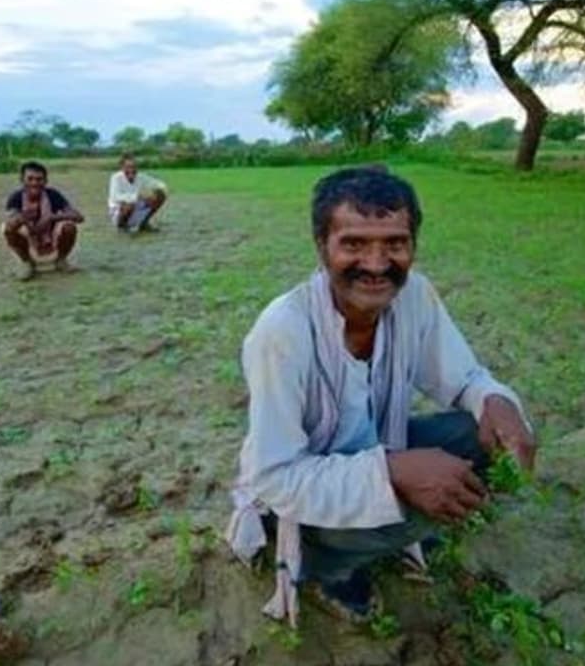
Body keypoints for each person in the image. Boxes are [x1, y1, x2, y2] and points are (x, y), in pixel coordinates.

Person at [225, 167, 538, 627]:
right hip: (296, 499)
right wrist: (392, 470)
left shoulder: (415, 295)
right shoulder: (282, 332)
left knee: (481, 433)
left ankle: (380, 532)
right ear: (321, 247)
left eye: (394, 243)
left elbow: (462, 378)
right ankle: (327, 567)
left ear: (413, 246)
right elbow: (275, 478)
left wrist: (495, 400)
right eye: (353, 244)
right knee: (411, 495)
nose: (376, 264)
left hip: (375, 445)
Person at [2, 161, 84, 280]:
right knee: (8, 228)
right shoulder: (16, 197)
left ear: (45, 181)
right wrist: (24, 218)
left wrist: (51, 217)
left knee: (69, 227)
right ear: (22, 180)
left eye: (39, 179)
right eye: (30, 179)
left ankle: (61, 261)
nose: (34, 183)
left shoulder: (53, 195)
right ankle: (27, 263)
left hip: (52, 236)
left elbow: (78, 217)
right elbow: (11, 222)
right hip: (29, 237)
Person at [107, 154, 167, 232]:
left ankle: (144, 223)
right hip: (119, 210)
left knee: (160, 195)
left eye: (134, 167)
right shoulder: (116, 178)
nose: (131, 170)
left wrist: (160, 190)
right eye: (128, 167)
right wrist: (137, 197)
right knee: (129, 203)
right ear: (122, 167)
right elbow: (115, 197)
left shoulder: (140, 177)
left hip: (136, 206)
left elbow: (158, 184)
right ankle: (122, 227)